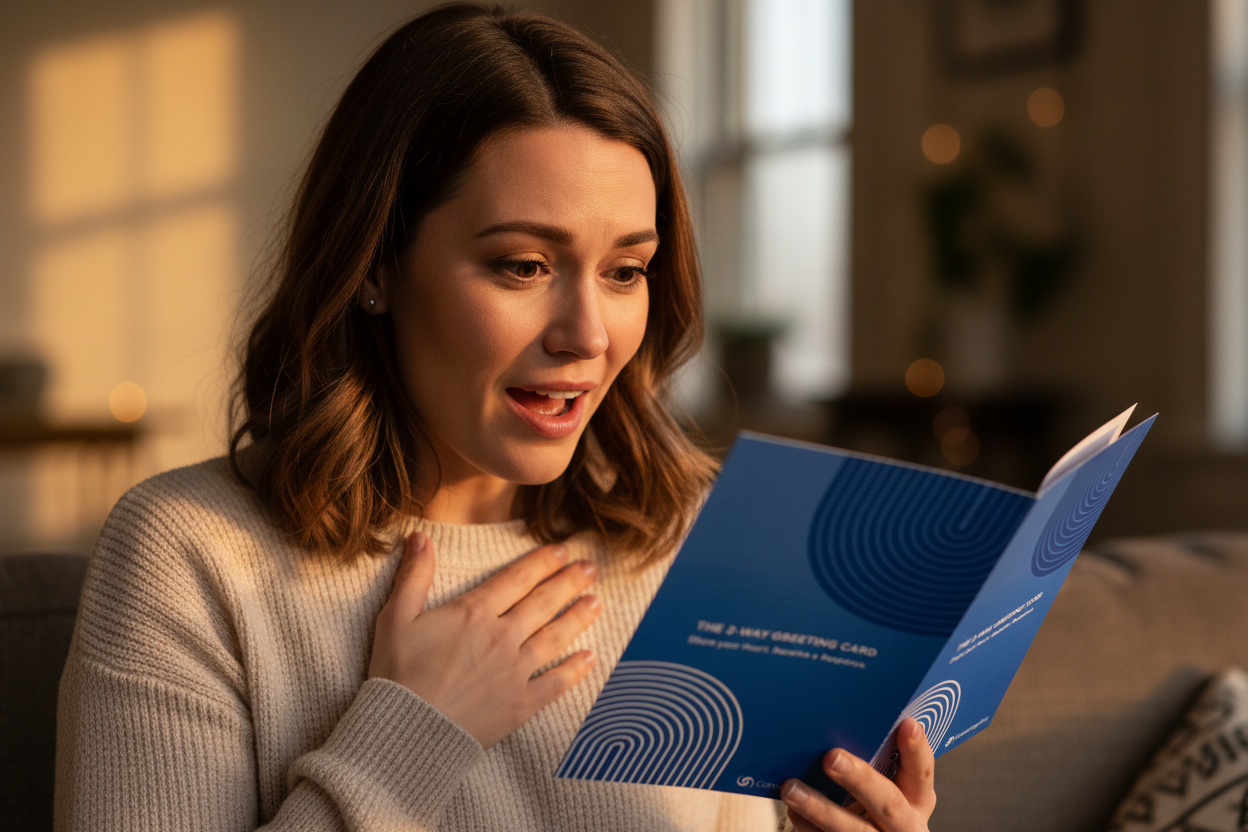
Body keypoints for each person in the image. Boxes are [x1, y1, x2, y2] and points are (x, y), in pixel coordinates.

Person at [54, 5, 937, 831]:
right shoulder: (192, 557)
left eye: (626, 271)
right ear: (374, 266)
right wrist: (409, 734)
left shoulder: (701, 545)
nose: (587, 335)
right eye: (522, 265)